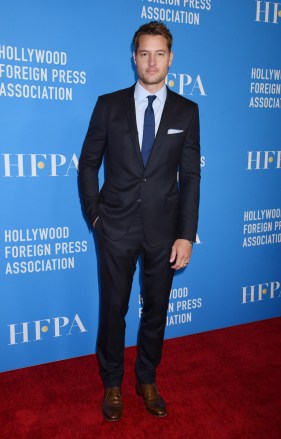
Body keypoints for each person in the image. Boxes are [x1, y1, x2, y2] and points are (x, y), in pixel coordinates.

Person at [79, 21, 200, 421]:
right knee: (113, 309)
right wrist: (96, 217)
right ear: (134, 57)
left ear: (171, 58)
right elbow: (88, 166)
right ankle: (112, 382)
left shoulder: (187, 110)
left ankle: (146, 378)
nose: (152, 61)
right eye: (144, 53)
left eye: (159, 53)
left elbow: (191, 176)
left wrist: (185, 234)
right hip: (114, 227)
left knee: (157, 309)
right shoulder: (108, 105)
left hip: (164, 232)